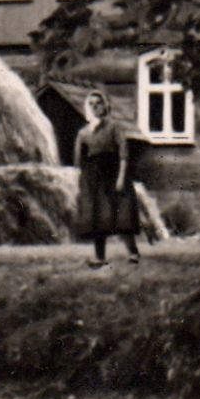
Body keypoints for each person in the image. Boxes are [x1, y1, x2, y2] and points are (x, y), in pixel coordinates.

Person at [75, 90, 140, 267]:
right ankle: (100, 257)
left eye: (99, 103)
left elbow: (123, 154)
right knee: (98, 216)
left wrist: (121, 178)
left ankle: (133, 252)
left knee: (122, 212)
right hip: (94, 178)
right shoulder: (84, 133)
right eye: (92, 104)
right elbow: (80, 160)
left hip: (113, 173)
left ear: (105, 106)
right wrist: (81, 183)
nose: (96, 107)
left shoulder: (114, 127)